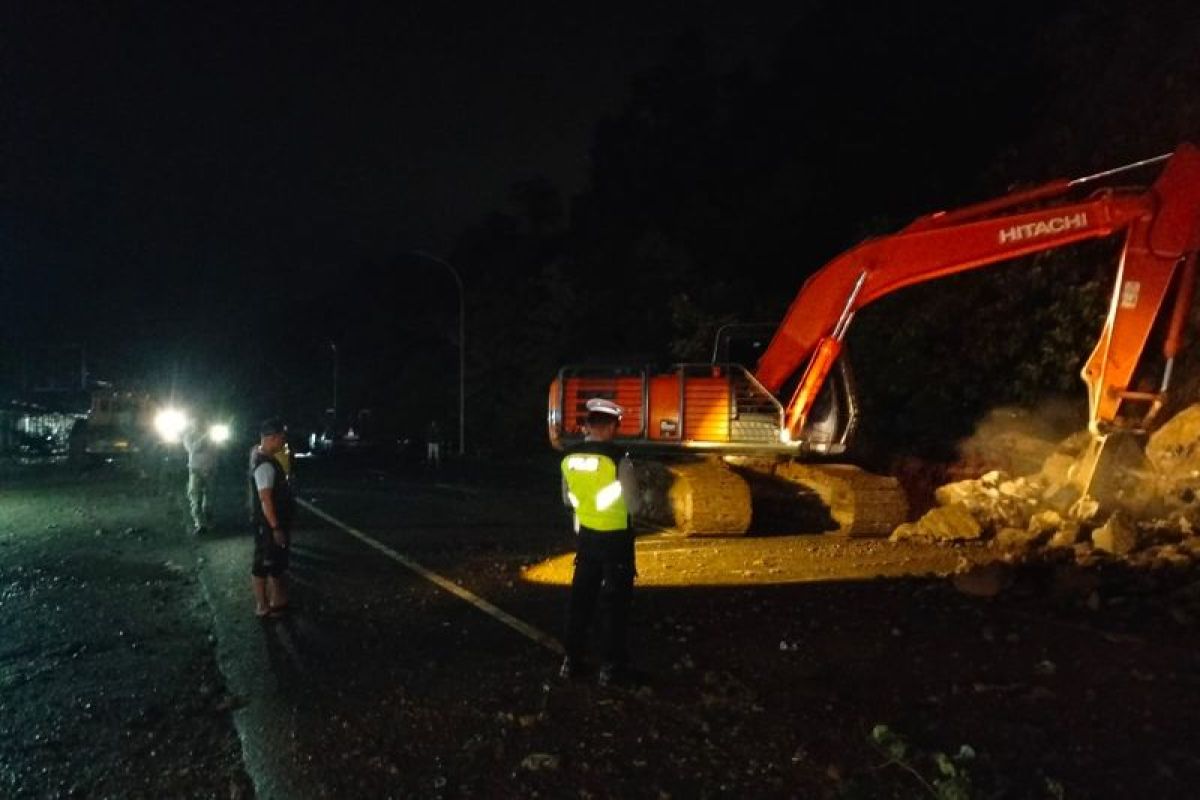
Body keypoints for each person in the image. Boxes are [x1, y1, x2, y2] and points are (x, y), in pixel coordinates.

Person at [558, 397, 642, 686]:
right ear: (608, 427)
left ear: (589, 426)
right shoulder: (619, 459)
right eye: (616, 426)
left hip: (587, 539)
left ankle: (571, 661)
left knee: (580, 601)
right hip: (616, 541)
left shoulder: (568, 458)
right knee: (615, 604)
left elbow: (567, 499)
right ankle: (611, 668)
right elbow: (634, 506)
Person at [249, 418, 295, 618]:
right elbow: (265, 499)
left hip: (270, 522)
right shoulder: (265, 465)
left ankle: (278, 601)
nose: (284, 443)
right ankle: (263, 605)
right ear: (273, 438)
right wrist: (275, 527)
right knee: (263, 564)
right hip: (268, 525)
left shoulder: (261, 456)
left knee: (275, 562)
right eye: (282, 439)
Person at [183, 425, 219, 535]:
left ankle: (209, 521)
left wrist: (214, 466)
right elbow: (192, 448)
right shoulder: (189, 436)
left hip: (209, 470)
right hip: (196, 471)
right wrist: (204, 438)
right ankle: (199, 524)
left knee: (210, 498)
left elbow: (216, 451)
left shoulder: (212, 436)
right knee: (195, 498)